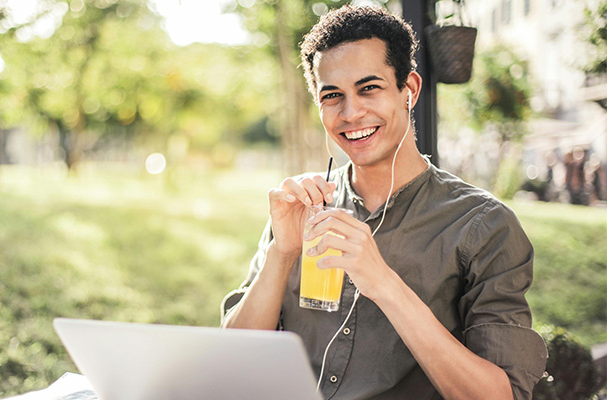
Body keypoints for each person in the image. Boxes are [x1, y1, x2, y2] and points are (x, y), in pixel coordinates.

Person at [221, 5, 547, 400]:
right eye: (332, 96)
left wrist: (383, 283)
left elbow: (502, 395)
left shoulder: (482, 226)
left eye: (369, 88)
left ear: (408, 90)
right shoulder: (301, 209)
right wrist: (281, 254)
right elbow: (230, 364)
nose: (351, 112)